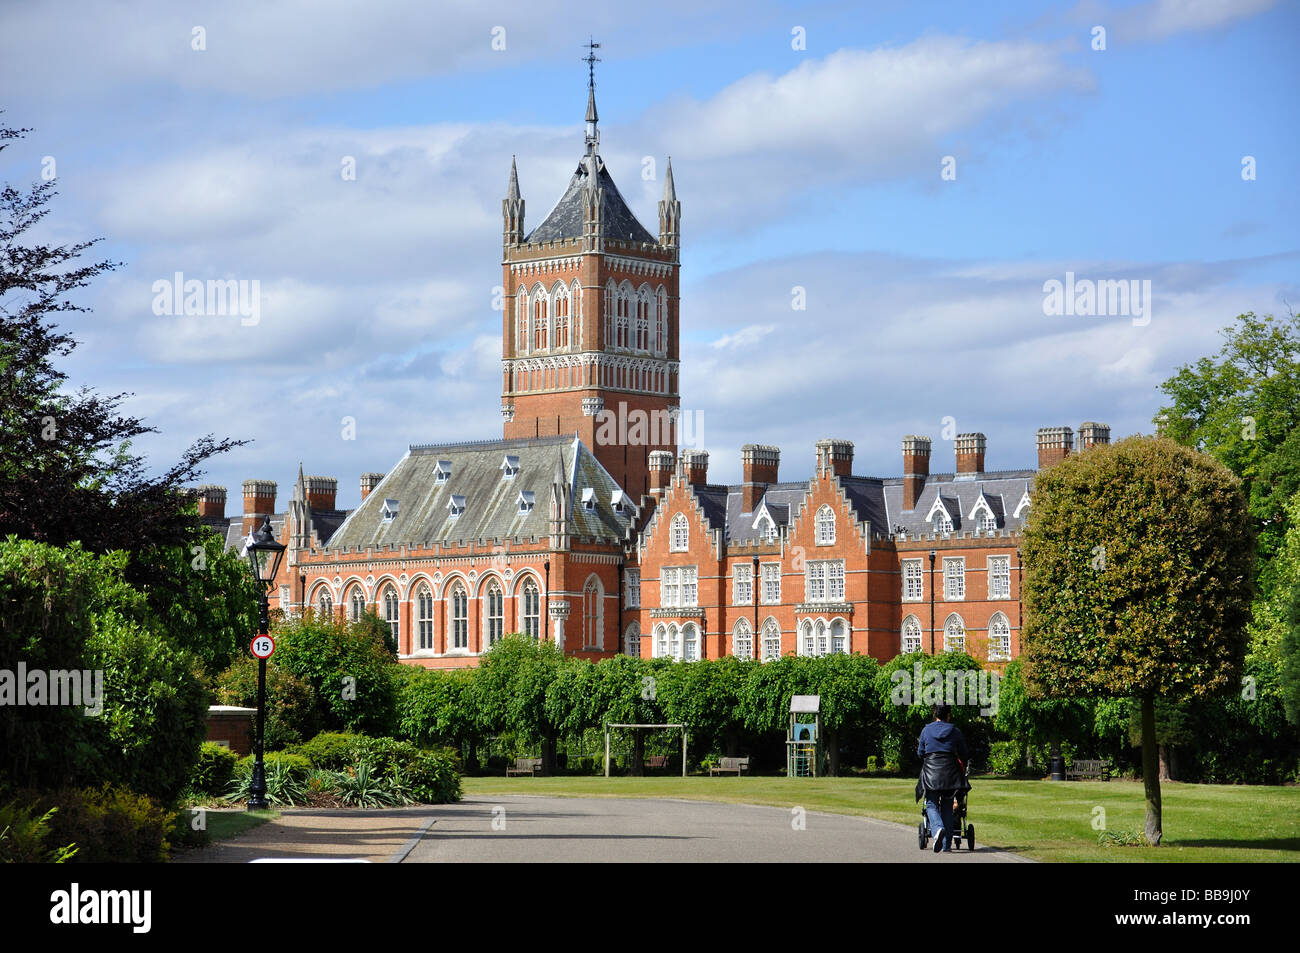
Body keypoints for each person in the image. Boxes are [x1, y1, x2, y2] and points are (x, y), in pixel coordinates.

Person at [915, 704, 970, 853]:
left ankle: (938, 829)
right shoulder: (955, 731)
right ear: (948, 715)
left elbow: (920, 753)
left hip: (931, 773)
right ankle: (946, 845)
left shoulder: (926, 730)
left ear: (935, 714)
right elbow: (964, 753)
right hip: (950, 773)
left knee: (931, 804)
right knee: (947, 806)